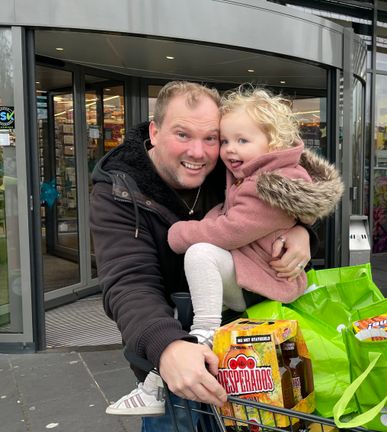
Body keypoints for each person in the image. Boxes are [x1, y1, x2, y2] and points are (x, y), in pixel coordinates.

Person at [90, 81, 322, 429]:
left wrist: (303, 231)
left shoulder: (230, 168)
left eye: (211, 138)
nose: (199, 152)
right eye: (182, 134)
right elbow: (128, 282)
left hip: (250, 358)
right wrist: (167, 347)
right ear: (154, 132)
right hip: (173, 366)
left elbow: (283, 193)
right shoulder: (118, 190)